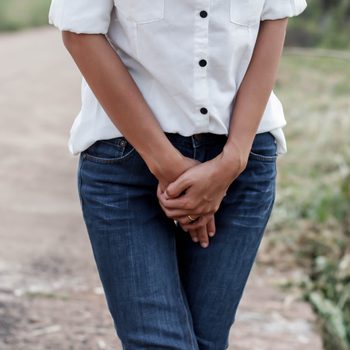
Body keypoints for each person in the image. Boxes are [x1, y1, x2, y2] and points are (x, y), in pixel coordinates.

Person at [48, 1, 307, 349]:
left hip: (242, 159)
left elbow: (274, 20)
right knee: (160, 342)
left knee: (206, 342)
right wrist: (168, 166)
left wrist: (232, 161)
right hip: (126, 162)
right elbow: (79, 31)